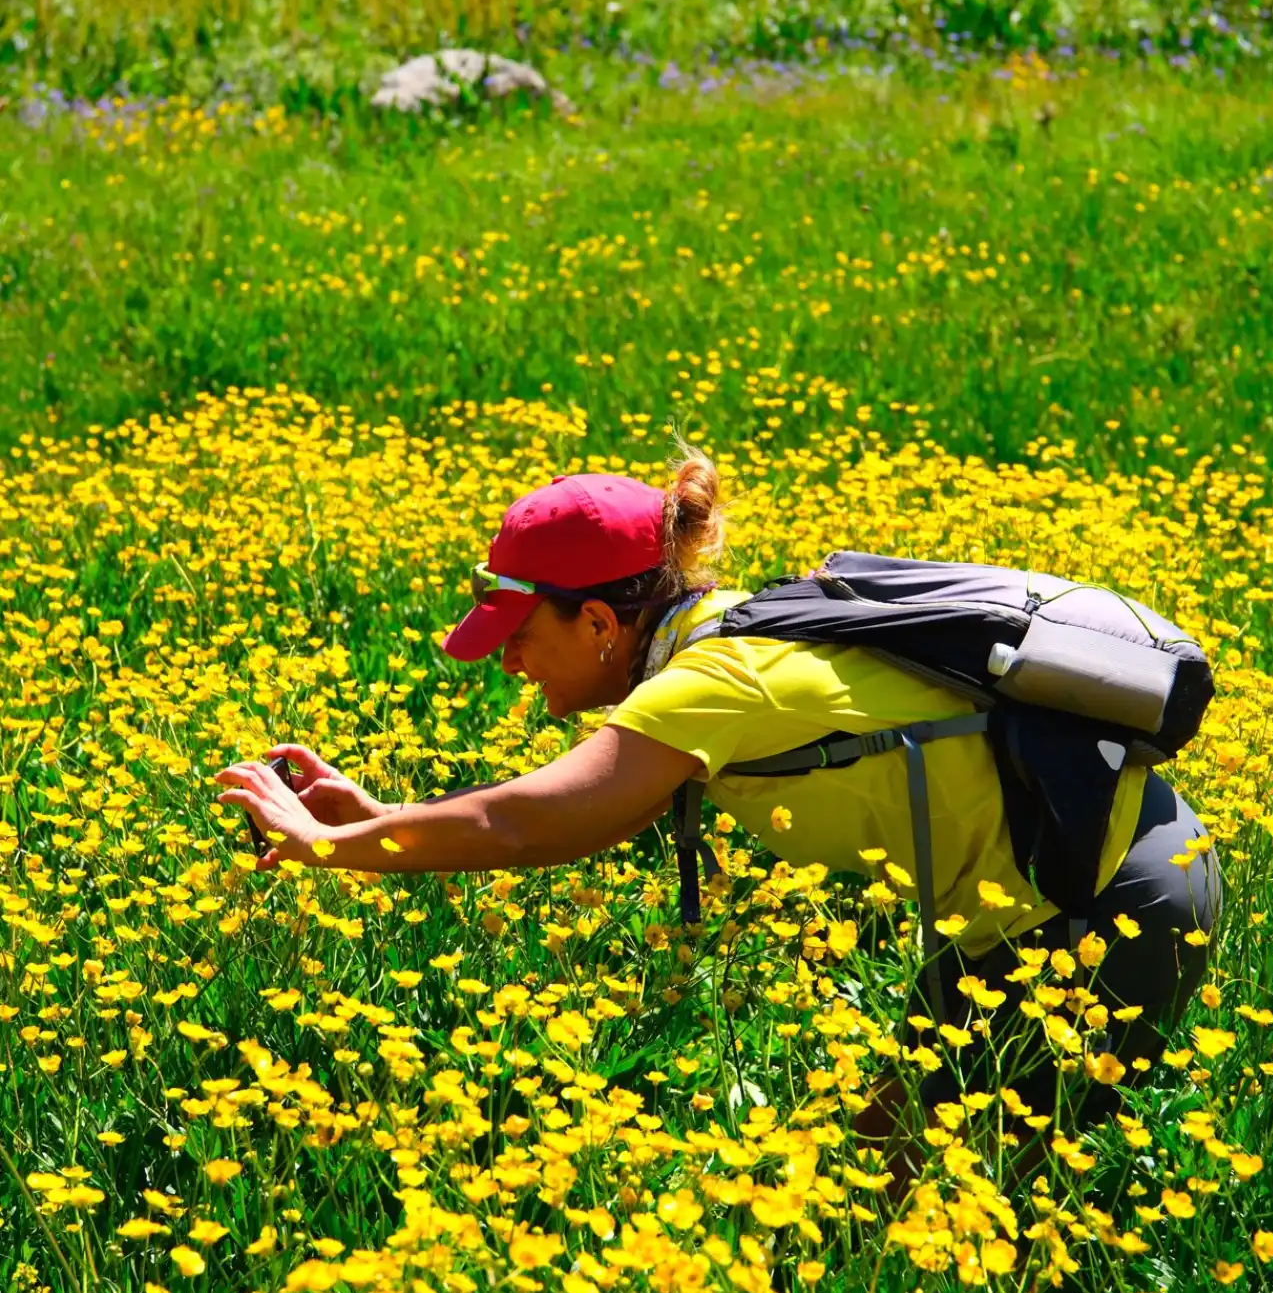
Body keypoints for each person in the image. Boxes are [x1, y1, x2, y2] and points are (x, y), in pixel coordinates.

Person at [214, 451, 1222, 1179]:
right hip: (1085, 877)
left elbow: (531, 824)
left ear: (601, 622)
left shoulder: (712, 679)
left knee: (943, 1212)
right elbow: (578, 808)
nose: (508, 662)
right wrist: (382, 811)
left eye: (519, 635)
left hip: (1099, 906)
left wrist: (334, 847)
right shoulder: (720, 634)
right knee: (884, 1180)